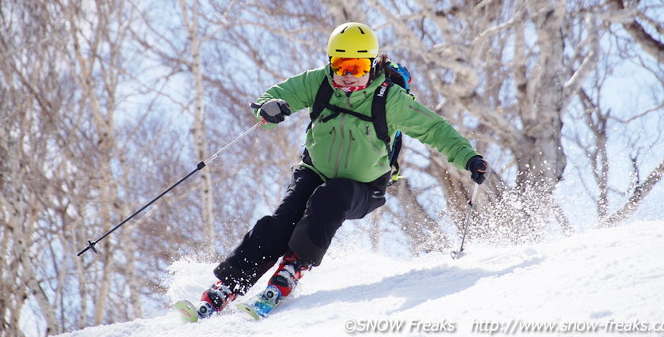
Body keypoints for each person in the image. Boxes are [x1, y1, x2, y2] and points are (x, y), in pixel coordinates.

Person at [194, 22, 489, 318]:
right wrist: (269, 107)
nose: (348, 76)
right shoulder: (319, 83)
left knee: (330, 196)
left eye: (358, 67)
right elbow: (279, 94)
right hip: (313, 172)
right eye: (341, 65)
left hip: (364, 187)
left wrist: (468, 158)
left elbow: (435, 130)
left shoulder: (390, 100)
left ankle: (294, 266)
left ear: (372, 66)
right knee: (280, 222)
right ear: (330, 63)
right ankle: (228, 285)